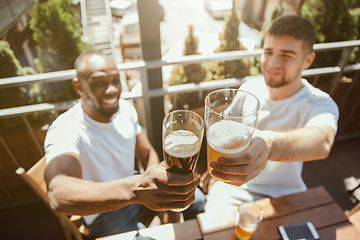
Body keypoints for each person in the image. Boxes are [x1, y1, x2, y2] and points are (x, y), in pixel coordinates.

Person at [44, 50, 205, 238]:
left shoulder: (126, 110)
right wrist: (136, 189)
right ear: (78, 86)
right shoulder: (66, 128)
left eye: (116, 80)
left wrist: (163, 191)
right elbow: (57, 194)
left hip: (134, 187)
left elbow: (146, 153)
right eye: (99, 83)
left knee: (198, 201)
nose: (112, 89)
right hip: (103, 211)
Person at [203, 15, 339, 214]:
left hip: (287, 193)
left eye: (286, 55)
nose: (273, 62)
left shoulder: (320, 102)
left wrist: (270, 145)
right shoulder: (249, 88)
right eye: (268, 52)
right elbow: (224, 133)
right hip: (236, 188)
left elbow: (323, 141)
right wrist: (210, 172)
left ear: (308, 60)